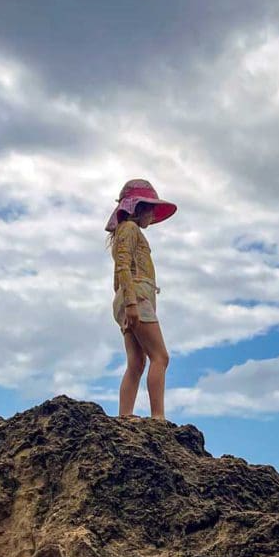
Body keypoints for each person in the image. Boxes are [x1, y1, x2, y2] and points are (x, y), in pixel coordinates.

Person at [104, 178, 177, 421]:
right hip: (136, 295)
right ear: (139, 208)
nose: (153, 215)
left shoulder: (124, 231)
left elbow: (118, 273)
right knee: (160, 357)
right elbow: (123, 265)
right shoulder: (130, 229)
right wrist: (132, 304)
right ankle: (158, 417)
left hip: (127, 296)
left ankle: (125, 416)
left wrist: (124, 304)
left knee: (136, 362)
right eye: (151, 208)